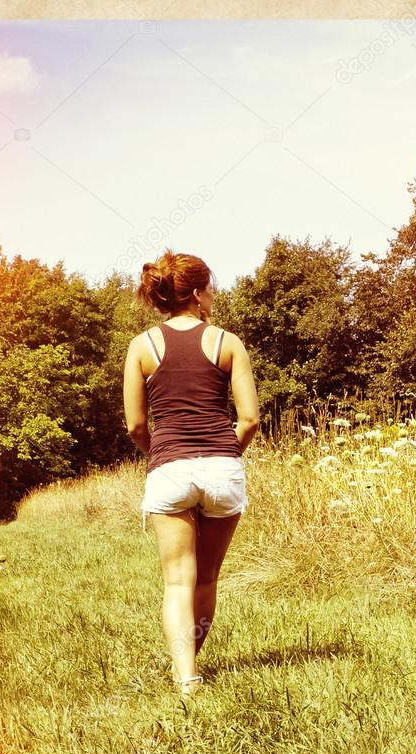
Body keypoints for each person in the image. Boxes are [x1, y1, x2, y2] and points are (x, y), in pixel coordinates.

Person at [123, 251, 260, 698]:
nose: (214, 295)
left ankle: (187, 679)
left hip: (170, 469)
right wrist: (222, 454)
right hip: (223, 468)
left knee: (177, 580)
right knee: (206, 578)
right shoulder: (228, 343)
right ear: (198, 293)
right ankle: (191, 659)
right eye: (212, 287)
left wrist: (162, 454)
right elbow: (250, 420)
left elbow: (136, 426)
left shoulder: (142, 346)